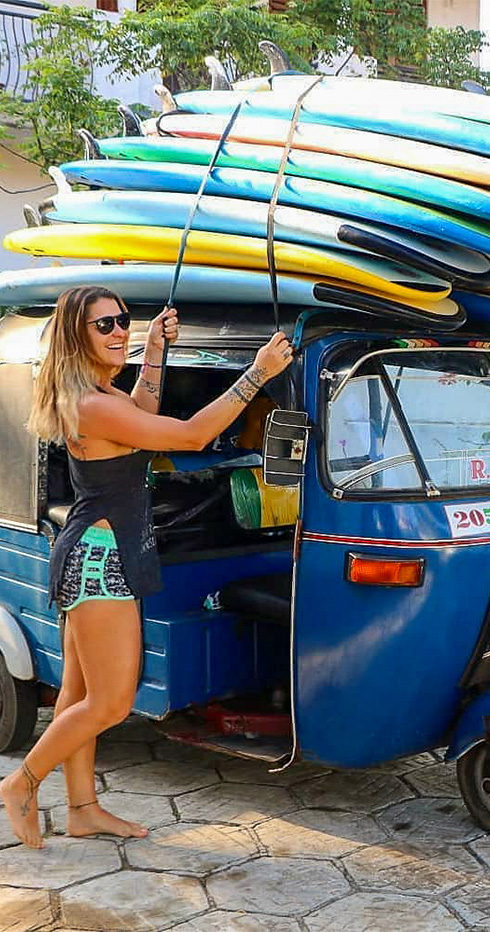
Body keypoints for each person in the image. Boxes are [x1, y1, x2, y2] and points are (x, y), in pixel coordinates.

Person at [0, 285, 293, 848]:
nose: (119, 331)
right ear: (76, 336)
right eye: (104, 325)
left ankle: (83, 809)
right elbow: (192, 435)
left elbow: (143, 415)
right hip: (100, 561)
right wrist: (257, 373)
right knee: (110, 702)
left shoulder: (99, 395)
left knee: (77, 696)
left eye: (122, 320)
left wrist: (154, 352)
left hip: (98, 552)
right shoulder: (92, 404)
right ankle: (21, 783)